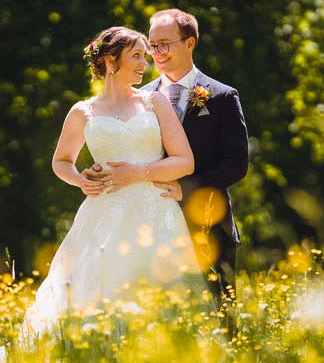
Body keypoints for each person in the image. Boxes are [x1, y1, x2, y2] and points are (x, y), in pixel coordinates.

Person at [18, 26, 206, 341]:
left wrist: (138, 172)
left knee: (161, 296)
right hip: (104, 213)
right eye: (136, 56)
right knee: (97, 291)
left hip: (156, 213)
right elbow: (61, 161)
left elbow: (184, 161)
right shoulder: (83, 112)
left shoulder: (154, 103)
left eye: (144, 57)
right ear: (110, 60)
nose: (144, 64)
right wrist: (81, 181)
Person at [88, 8, 249, 305]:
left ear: (189, 43)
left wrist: (188, 187)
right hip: (149, 224)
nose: (156, 53)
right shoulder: (140, 97)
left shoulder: (222, 96)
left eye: (165, 44)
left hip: (207, 222)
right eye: (152, 45)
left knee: (217, 314)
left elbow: (237, 163)